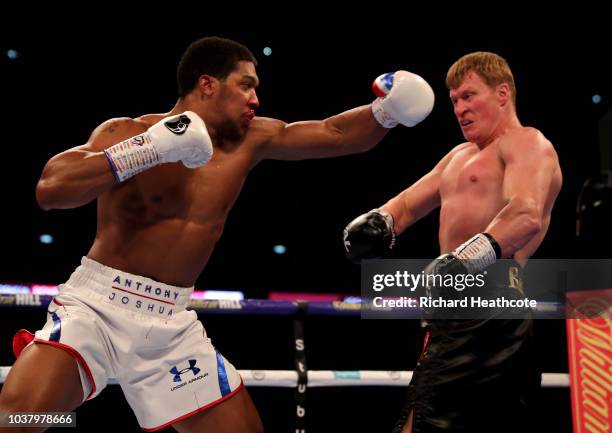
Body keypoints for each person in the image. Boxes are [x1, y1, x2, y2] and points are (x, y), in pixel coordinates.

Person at [0, 37, 434, 433]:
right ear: (207, 84)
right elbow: (51, 189)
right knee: (21, 418)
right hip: (97, 306)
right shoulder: (129, 133)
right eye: (245, 85)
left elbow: (335, 133)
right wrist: (151, 148)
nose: (255, 98)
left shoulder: (250, 140)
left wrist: (385, 113)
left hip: (170, 323)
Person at [344, 51, 562, 432]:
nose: (460, 108)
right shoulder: (458, 156)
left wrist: (465, 258)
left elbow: (525, 214)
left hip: (492, 307)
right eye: (455, 100)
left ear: (502, 94)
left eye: (469, 96)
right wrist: (377, 222)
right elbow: (409, 204)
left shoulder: (527, 143)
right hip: (450, 308)